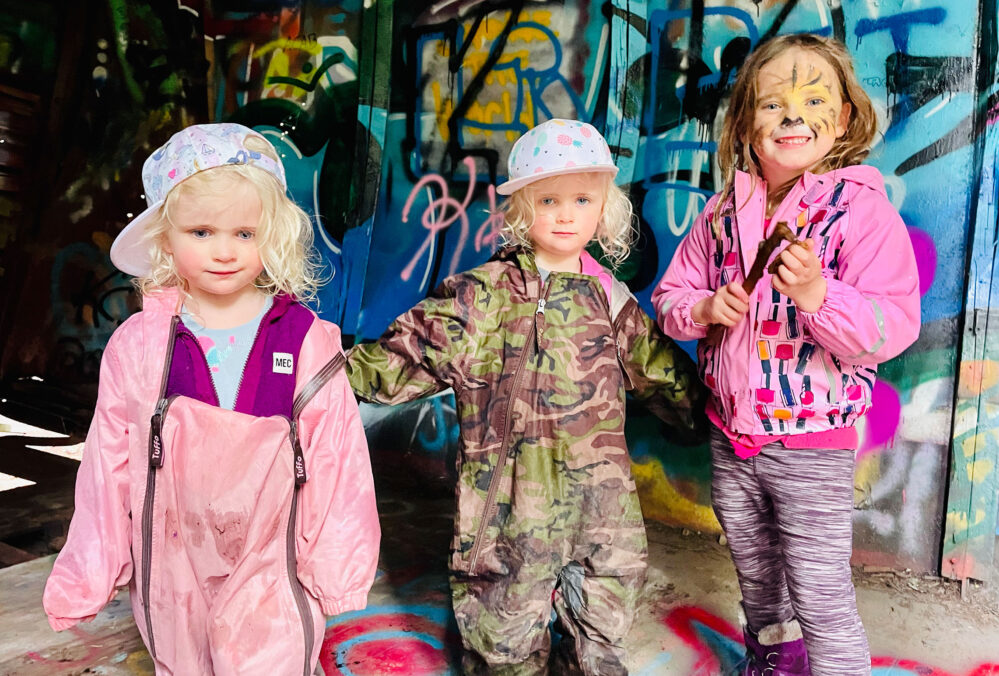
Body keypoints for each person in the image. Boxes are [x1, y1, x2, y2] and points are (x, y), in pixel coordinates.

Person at [345, 118, 704, 675]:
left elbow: (664, 374)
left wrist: (716, 414)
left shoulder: (611, 300)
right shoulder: (481, 296)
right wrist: (313, 369)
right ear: (519, 210)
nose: (565, 214)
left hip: (603, 517)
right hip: (507, 518)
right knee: (502, 649)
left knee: (600, 647)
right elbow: (401, 358)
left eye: (582, 199)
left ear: (603, 208)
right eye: (549, 200)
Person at [43, 123, 380, 676]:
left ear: (272, 235)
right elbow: (108, 464)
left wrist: (337, 573)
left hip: (273, 567)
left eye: (244, 234)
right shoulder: (139, 346)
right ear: (165, 237)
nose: (223, 251)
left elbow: (338, 464)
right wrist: (90, 571)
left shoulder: (305, 340)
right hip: (172, 573)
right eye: (201, 231)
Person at [652, 34, 921, 676]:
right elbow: (669, 296)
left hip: (812, 443)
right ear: (745, 121)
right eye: (772, 105)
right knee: (755, 573)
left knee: (821, 592)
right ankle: (774, 660)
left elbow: (893, 325)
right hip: (731, 436)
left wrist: (816, 294)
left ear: (845, 119)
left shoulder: (862, 212)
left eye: (813, 101)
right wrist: (704, 308)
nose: (793, 118)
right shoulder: (719, 213)